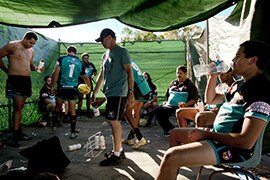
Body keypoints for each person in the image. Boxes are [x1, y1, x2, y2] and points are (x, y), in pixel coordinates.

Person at [156, 40, 270, 180]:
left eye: (238, 56)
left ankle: (172, 165)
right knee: (175, 134)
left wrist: (205, 134)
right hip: (219, 137)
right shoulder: (240, 85)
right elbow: (211, 100)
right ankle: (171, 172)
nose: (233, 60)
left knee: (170, 157)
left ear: (252, 60)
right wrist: (212, 76)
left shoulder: (260, 91)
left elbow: (245, 142)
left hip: (233, 149)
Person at [92, 28, 134, 166]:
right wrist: (95, 91)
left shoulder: (122, 52)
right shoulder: (105, 55)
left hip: (119, 92)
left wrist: (131, 93)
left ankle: (116, 154)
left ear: (109, 37)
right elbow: (102, 75)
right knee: (112, 121)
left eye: (102, 40)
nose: (101, 43)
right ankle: (119, 150)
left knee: (114, 121)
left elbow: (129, 72)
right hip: (110, 93)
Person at [0, 31, 39, 147]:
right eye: (30, 42)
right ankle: (15, 135)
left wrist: (36, 68)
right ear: (25, 38)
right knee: (17, 106)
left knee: (20, 106)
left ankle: (18, 131)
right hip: (15, 79)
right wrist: (6, 70)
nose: (31, 45)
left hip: (26, 81)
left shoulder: (31, 50)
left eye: (33, 44)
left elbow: (29, 65)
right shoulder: (13, 46)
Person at [51, 45, 91, 139]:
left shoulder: (61, 59)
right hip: (73, 88)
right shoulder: (80, 63)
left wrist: (52, 85)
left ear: (67, 51)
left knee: (58, 107)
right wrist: (88, 87)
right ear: (75, 52)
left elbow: (55, 73)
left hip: (62, 87)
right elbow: (86, 77)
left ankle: (54, 125)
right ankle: (72, 132)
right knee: (72, 111)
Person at [155, 66, 199, 136]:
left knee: (181, 113)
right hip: (169, 105)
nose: (178, 75)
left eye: (180, 73)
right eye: (177, 73)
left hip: (182, 107)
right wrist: (166, 102)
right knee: (158, 111)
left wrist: (186, 104)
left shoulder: (190, 85)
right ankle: (170, 129)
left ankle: (180, 131)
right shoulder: (173, 83)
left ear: (185, 74)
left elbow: (194, 99)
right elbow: (167, 95)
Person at [123, 60, 151, 149]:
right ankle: (130, 138)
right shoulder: (131, 60)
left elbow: (127, 77)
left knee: (127, 112)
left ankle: (140, 138)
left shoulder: (121, 61)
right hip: (144, 87)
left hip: (137, 88)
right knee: (136, 113)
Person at [77, 52, 97, 118]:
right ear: (82, 58)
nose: (86, 59)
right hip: (81, 83)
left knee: (88, 98)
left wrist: (93, 75)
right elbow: (76, 73)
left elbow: (95, 71)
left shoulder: (91, 64)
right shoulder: (79, 64)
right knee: (80, 98)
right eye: (84, 58)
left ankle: (88, 112)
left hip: (88, 83)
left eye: (87, 58)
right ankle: (78, 113)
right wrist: (82, 76)